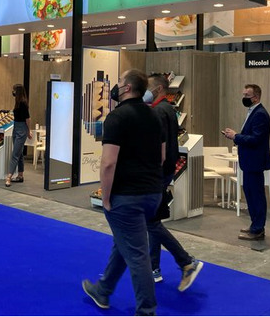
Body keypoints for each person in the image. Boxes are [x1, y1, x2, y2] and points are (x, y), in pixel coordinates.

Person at [82, 69, 164, 316]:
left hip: (127, 196)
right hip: (153, 193)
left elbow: (108, 162)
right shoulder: (154, 115)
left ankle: (146, 310)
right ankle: (103, 290)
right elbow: (161, 156)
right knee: (125, 241)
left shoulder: (117, 117)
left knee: (137, 255)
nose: (116, 86)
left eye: (119, 82)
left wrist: (106, 197)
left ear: (127, 88)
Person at [144, 73, 203, 290]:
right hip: (164, 171)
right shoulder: (167, 109)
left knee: (151, 223)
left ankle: (186, 261)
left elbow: (156, 147)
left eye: (148, 87)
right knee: (153, 221)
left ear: (159, 88)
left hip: (158, 173)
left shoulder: (158, 112)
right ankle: (154, 267)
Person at [222, 84, 270, 241]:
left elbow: (256, 139)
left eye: (246, 95)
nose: (243, 98)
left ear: (255, 97)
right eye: (243, 94)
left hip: (255, 162)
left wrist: (235, 136)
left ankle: (258, 229)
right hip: (249, 162)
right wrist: (235, 136)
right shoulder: (253, 112)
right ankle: (254, 224)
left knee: (256, 196)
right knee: (250, 194)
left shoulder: (260, 114)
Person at [5, 84, 32, 187]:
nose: (13, 92)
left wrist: (28, 131)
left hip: (21, 129)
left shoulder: (23, 103)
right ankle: (20, 175)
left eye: (14, 90)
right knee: (19, 153)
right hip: (16, 127)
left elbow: (28, 119)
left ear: (18, 91)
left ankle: (9, 176)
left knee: (15, 154)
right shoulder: (17, 103)